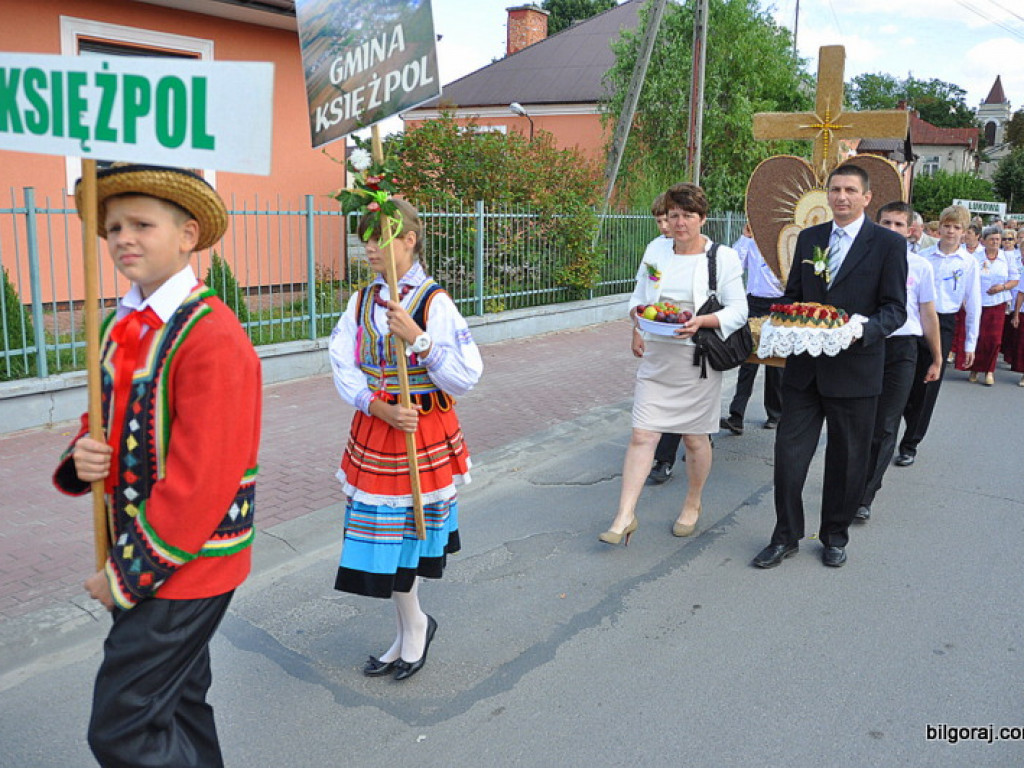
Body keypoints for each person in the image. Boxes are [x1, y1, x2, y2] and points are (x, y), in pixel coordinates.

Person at [53, 164, 262, 768]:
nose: (122, 238)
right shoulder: (120, 326)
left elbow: (203, 481)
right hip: (154, 555)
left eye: (142, 224)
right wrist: (85, 454)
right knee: (177, 703)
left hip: (187, 563)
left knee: (123, 727)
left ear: (188, 235)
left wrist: (124, 576)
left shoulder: (212, 335)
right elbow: (108, 419)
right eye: (114, 226)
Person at [328, 198, 482, 681]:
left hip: (420, 433)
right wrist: (376, 406)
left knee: (408, 537)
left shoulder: (434, 303)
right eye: (365, 238)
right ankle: (410, 626)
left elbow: (466, 376)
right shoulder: (361, 301)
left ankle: (413, 627)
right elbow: (341, 362)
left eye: (380, 238)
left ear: (409, 240)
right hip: (379, 429)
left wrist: (419, 339)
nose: (369, 248)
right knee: (383, 540)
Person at [752, 164, 907, 569]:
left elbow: (895, 310)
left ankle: (835, 534)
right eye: (835, 189)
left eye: (850, 190)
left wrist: (865, 330)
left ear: (866, 197)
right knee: (788, 457)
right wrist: (782, 321)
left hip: (856, 370)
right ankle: (785, 535)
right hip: (805, 371)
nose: (841, 197)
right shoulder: (810, 238)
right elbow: (794, 296)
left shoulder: (888, 245)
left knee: (848, 459)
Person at [601, 183, 747, 544]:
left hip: (697, 358)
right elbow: (640, 294)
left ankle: (693, 503)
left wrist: (702, 322)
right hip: (658, 355)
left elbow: (739, 310)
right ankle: (624, 516)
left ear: (703, 218)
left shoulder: (722, 257)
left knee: (695, 439)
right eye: (674, 215)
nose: (680, 223)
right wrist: (637, 319)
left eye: (688, 215)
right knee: (642, 434)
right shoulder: (656, 249)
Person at [855, 202, 942, 523]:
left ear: (911, 231)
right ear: (875, 225)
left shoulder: (920, 267)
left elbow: (928, 314)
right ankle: (849, 483)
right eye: (885, 224)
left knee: (886, 424)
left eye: (898, 225)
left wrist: (935, 357)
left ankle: (865, 495)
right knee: (860, 421)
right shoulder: (861, 261)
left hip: (903, 350)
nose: (891, 230)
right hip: (865, 346)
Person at [895, 205, 980, 466]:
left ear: (965, 232)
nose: (951, 232)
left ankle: (910, 443)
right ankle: (898, 422)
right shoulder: (924, 255)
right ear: (939, 228)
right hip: (916, 320)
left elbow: (974, 303)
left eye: (957, 228)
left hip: (943, 323)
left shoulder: (968, 263)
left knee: (928, 386)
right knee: (905, 381)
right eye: (947, 226)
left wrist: (970, 343)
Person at [720, 221, 784, 434]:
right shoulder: (754, 240)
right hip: (754, 303)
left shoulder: (785, 242)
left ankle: (775, 414)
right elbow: (735, 264)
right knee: (747, 359)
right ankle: (736, 415)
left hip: (779, 304)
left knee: (775, 362)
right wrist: (746, 238)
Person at [644, 192, 685, 484]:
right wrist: (637, 330)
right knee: (665, 399)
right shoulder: (655, 249)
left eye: (667, 219)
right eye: (660, 220)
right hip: (659, 332)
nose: (664, 226)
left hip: (689, 335)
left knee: (684, 399)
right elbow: (644, 292)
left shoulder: (700, 250)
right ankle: (665, 456)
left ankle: (668, 456)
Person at [956, 226, 1019, 385]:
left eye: (998, 239)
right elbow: (965, 279)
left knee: (994, 339)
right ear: (983, 241)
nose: (996, 242)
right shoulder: (975, 258)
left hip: (997, 302)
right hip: (977, 302)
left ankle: (989, 371)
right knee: (978, 336)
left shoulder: (1007, 258)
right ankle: (974, 368)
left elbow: (1014, 280)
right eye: (992, 239)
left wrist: (1002, 287)